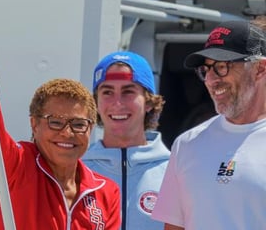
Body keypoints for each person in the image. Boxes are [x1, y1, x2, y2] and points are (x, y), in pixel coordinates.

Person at [151, 19, 266, 230]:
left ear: (259, 68)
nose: (211, 80)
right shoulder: (187, 144)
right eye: (206, 70)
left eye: (221, 67)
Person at [0, 67, 121, 230]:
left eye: (79, 124)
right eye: (55, 122)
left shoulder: (107, 192)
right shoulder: (18, 165)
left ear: (90, 129)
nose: (67, 133)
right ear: (34, 124)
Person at [83, 51, 170, 230]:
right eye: (107, 92)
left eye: (128, 91)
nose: (117, 103)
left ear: (148, 102)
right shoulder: (76, 170)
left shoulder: (175, 170)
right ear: (96, 103)